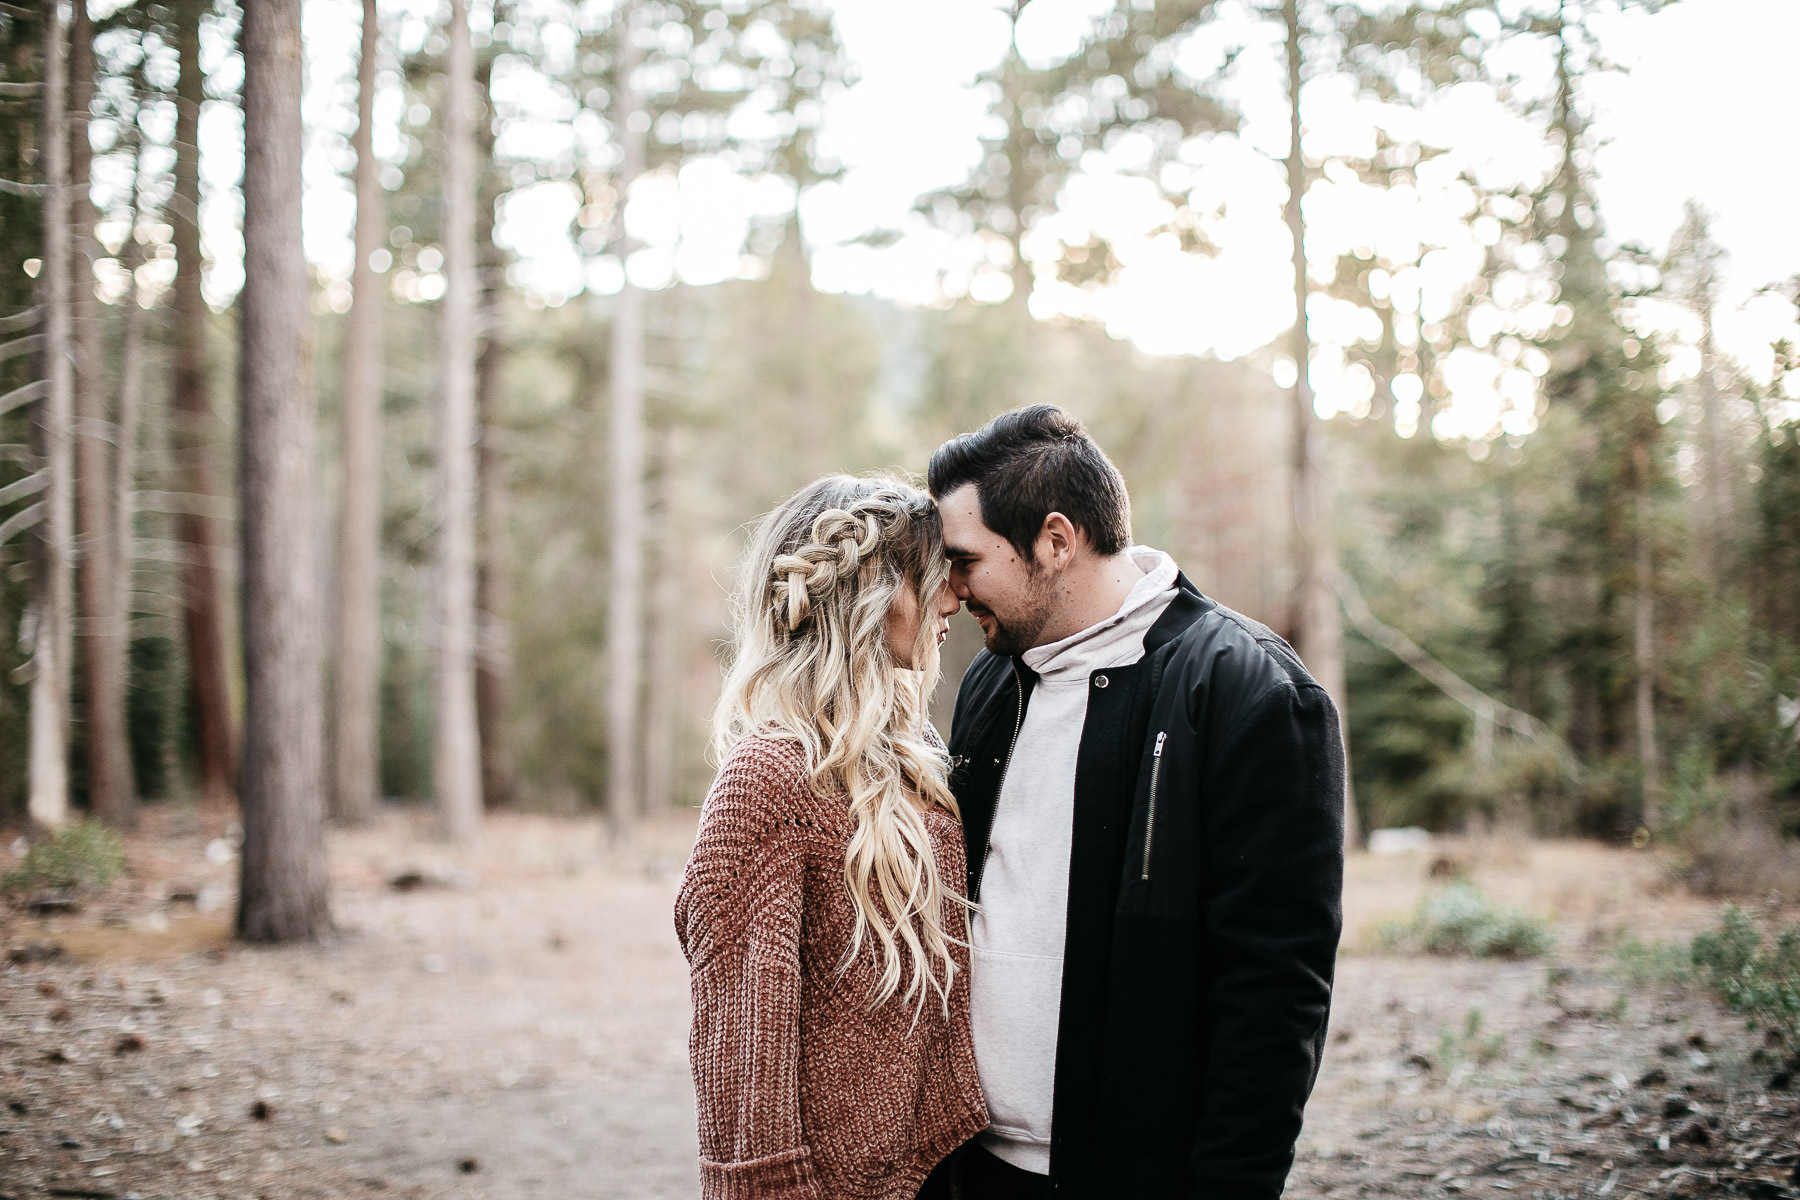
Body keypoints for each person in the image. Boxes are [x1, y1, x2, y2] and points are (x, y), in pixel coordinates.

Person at [927, 405, 1346, 1199]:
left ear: (1055, 540)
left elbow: (1275, 988)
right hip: (969, 1168)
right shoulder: (992, 681)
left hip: (1135, 1177)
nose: (949, 590)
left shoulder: (1248, 690)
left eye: (964, 560)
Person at [675, 475, 986, 1200]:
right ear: (873, 590)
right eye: (930, 579)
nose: (952, 600)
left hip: (934, 1168)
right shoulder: (767, 780)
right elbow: (742, 1057)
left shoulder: (910, 759)